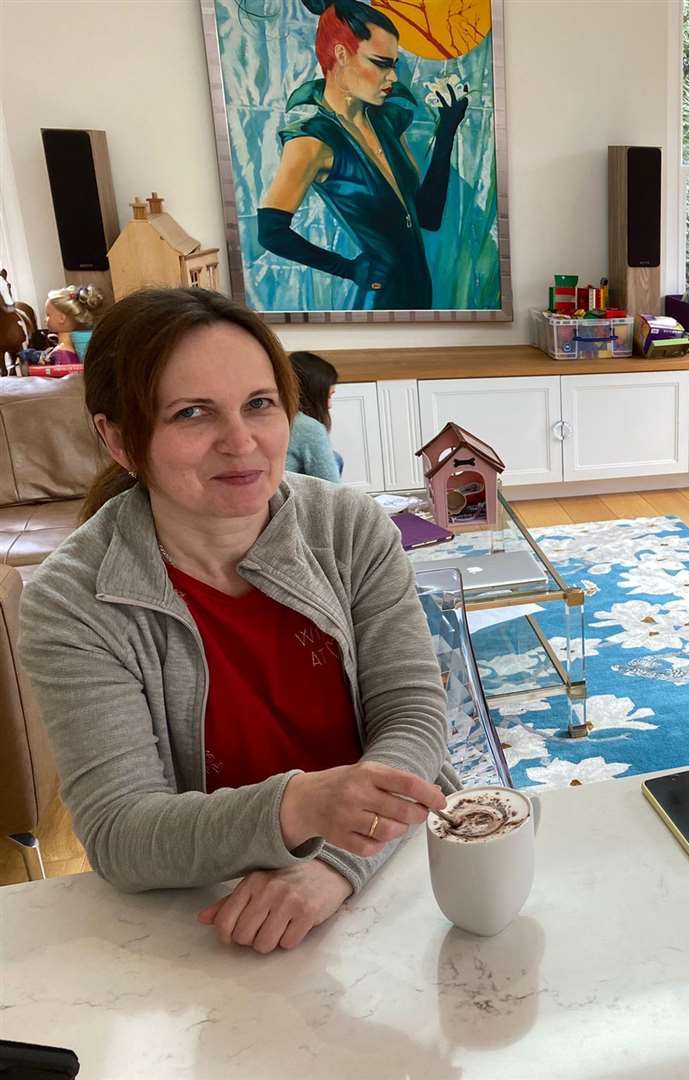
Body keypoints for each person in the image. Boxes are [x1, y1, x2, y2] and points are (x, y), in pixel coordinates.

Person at [19, 287, 455, 954]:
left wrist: (333, 865)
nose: (242, 441)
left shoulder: (348, 527)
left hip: (389, 874)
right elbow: (122, 833)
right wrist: (302, 806)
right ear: (118, 440)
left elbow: (416, 716)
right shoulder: (74, 601)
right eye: (192, 413)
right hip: (211, 919)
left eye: (260, 404)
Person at [257, 0, 468, 310]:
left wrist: (447, 131)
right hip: (379, 302)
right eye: (381, 62)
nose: (393, 77)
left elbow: (428, 216)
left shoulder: (386, 122)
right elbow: (271, 233)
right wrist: (350, 269)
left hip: (421, 297)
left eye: (394, 63)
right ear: (341, 54)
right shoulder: (312, 141)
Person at [286, 350, 344, 482]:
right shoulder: (307, 427)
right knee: (336, 460)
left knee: (335, 457)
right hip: (285, 499)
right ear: (312, 394)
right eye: (328, 396)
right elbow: (333, 490)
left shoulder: (278, 415)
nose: (329, 405)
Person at [44, 284, 105, 363]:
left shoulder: (63, 351)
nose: (45, 319)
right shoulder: (67, 347)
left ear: (62, 318)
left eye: (48, 315)